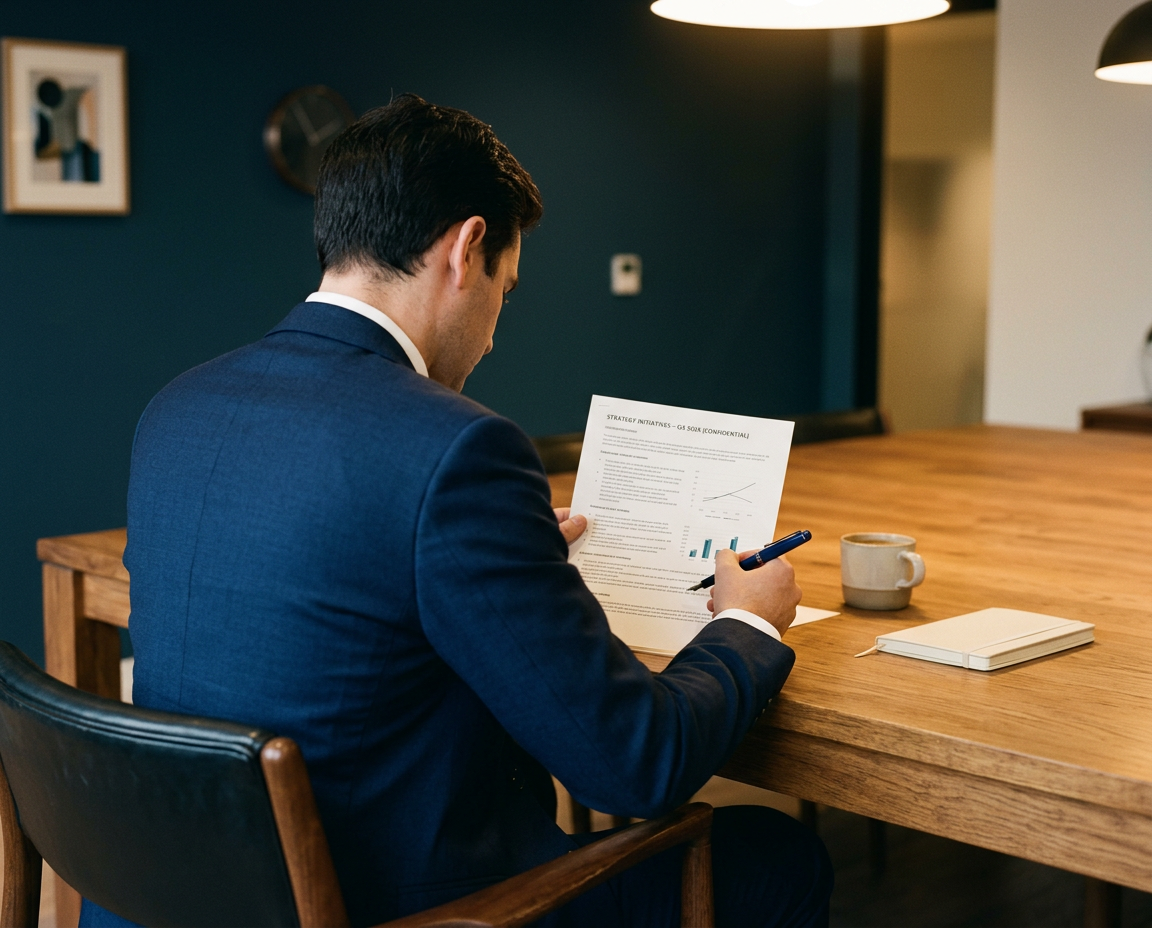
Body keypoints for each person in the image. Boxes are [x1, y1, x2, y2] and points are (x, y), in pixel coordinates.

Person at [82, 94, 832, 927]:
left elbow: (325, 596)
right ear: (467, 249)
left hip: (174, 895)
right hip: (403, 905)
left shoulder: (179, 408)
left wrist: (500, 556)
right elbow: (633, 767)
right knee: (777, 855)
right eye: (507, 291)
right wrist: (747, 627)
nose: (494, 333)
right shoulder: (458, 448)